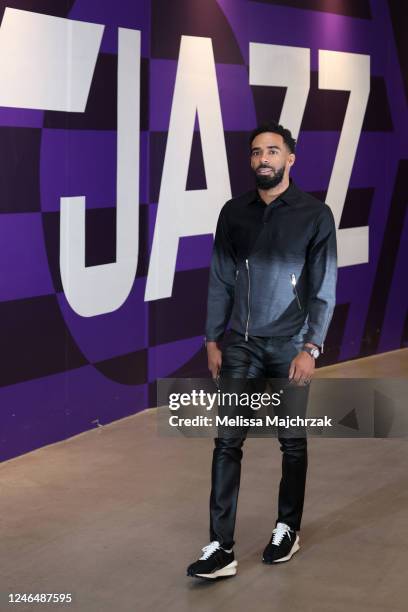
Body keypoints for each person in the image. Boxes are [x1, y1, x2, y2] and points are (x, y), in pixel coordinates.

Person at [186, 121, 337, 580]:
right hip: (241, 346)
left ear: (290, 159)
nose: (263, 159)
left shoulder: (314, 214)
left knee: (291, 442)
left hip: (291, 344)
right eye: (256, 153)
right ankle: (220, 547)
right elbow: (219, 279)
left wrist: (311, 346)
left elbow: (324, 288)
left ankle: (287, 528)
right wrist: (214, 337)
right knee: (227, 442)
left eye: (272, 151)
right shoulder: (234, 213)